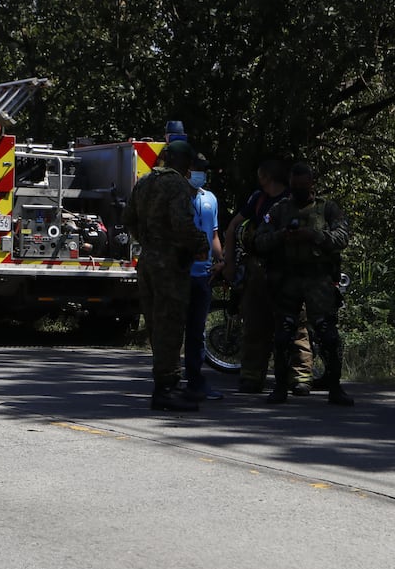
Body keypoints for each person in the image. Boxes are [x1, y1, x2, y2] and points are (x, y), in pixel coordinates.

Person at [254, 162, 351, 406]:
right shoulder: (279, 210)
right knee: (283, 335)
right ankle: (279, 387)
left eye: (303, 186)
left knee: (328, 335)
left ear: (312, 185)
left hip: (318, 280)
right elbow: (260, 241)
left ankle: (335, 387)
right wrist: (281, 236)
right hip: (287, 279)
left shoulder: (327, 208)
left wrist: (315, 236)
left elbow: (342, 237)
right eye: (294, 186)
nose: (298, 190)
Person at [123, 139, 209, 411]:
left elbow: (129, 219)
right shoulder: (177, 185)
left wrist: (149, 242)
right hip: (170, 267)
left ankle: (165, 384)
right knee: (171, 326)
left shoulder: (145, 182)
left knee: (156, 327)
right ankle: (166, 389)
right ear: (185, 163)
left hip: (148, 263)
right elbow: (182, 223)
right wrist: (200, 245)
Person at [221, 159, 314, 394]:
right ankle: (252, 376)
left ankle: (300, 378)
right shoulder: (258, 199)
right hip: (259, 271)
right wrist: (228, 263)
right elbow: (234, 227)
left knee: (295, 325)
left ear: (266, 177)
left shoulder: (296, 202)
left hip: (291, 272)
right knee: (255, 323)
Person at [184, 153, 224, 400]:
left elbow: (215, 235)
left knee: (197, 331)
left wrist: (221, 262)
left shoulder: (210, 198)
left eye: (204, 170)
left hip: (203, 275)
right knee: (173, 329)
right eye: (197, 169)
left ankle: (195, 380)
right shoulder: (177, 198)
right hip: (179, 274)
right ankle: (168, 379)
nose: (201, 174)